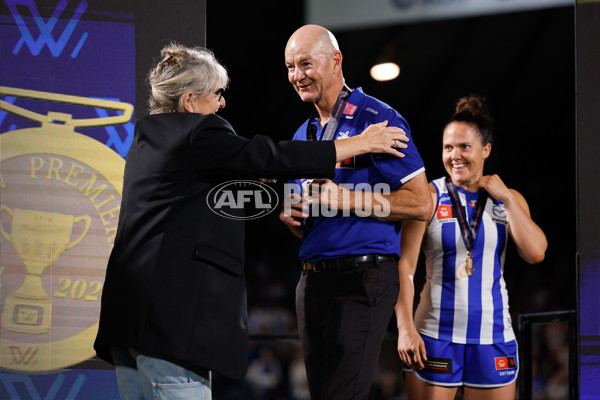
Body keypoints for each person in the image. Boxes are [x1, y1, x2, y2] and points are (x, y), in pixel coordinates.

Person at [93, 42, 411, 400]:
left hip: (129, 322)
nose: (221, 103)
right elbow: (266, 154)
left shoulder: (146, 139)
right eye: (216, 94)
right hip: (170, 328)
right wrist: (358, 143)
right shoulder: (199, 131)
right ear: (189, 102)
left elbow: (189, 199)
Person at [279, 25, 432, 400]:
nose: (297, 76)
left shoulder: (379, 120)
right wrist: (294, 217)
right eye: (289, 67)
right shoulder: (305, 134)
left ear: (335, 61)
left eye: (305, 64)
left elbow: (420, 202)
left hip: (362, 278)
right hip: (311, 281)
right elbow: (310, 220)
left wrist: (344, 198)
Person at [395, 95, 547, 400]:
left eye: (465, 146)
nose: (455, 156)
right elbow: (404, 268)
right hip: (435, 337)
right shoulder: (428, 196)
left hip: (493, 338)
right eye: (448, 147)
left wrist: (505, 198)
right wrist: (405, 328)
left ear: (486, 150)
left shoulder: (508, 198)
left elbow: (535, 252)